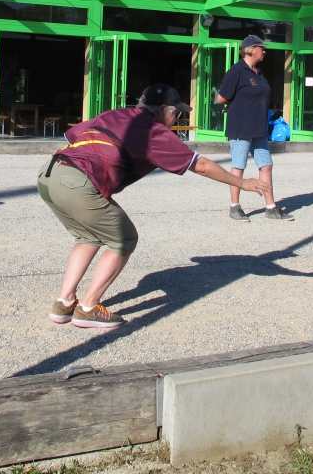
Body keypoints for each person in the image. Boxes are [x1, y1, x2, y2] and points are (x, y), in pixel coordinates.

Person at [38, 83, 269, 327]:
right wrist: (241, 183)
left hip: (49, 176)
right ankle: (87, 309)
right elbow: (199, 165)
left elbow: (72, 136)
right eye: (176, 113)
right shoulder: (152, 130)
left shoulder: (115, 113)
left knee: (88, 237)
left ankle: (63, 303)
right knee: (123, 239)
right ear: (161, 110)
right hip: (79, 183)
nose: (176, 118)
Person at [215, 35, 290, 221]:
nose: (264, 51)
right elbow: (221, 98)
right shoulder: (236, 71)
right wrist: (235, 104)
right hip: (241, 126)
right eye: (261, 48)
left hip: (259, 127)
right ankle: (235, 207)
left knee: (266, 165)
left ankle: (271, 208)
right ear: (250, 49)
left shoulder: (259, 71)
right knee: (238, 166)